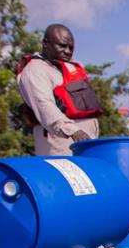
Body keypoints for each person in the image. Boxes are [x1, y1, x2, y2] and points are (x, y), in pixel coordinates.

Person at [16, 24, 101, 156]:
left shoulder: (67, 68)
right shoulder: (35, 70)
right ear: (45, 44)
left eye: (70, 47)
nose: (67, 51)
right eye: (62, 46)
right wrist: (73, 130)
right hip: (60, 143)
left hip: (85, 143)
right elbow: (44, 106)